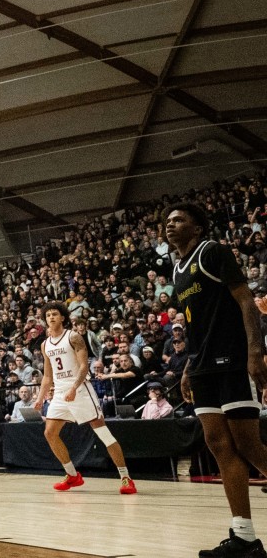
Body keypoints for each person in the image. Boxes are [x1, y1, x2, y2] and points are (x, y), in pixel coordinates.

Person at [167, 203, 267, 557]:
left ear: (196, 228)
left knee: (248, 444)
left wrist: (255, 351)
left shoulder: (212, 252)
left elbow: (246, 302)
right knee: (218, 444)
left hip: (232, 359)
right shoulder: (177, 269)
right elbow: (195, 324)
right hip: (202, 365)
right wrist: (187, 367)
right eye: (167, 221)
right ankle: (244, 537)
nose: (170, 225)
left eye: (178, 220)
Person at [33, 301, 137, 496]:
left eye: (55, 314)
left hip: (80, 389)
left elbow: (83, 366)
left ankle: (126, 478)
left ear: (62, 317)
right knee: (49, 433)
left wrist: (74, 387)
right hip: (60, 392)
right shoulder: (45, 344)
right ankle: (72, 475)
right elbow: (47, 376)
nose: (51, 318)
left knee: (103, 433)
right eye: (48, 315)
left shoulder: (73, 337)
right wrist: (40, 398)